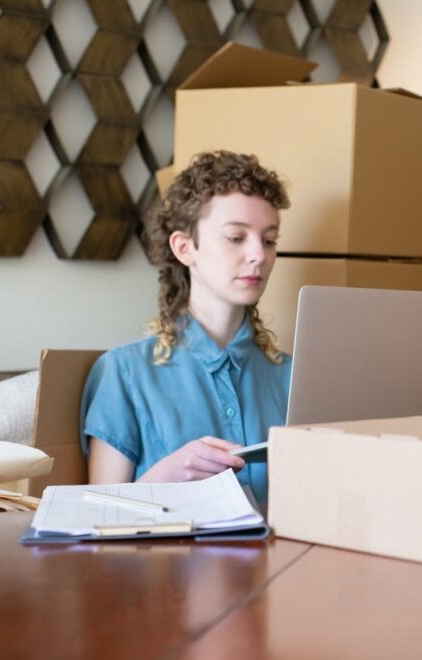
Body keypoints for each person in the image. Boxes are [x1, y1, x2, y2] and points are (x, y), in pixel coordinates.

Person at [81, 150, 292, 504]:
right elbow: (98, 522)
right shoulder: (124, 373)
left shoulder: (293, 378)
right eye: (236, 237)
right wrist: (159, 480)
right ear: (184, 248)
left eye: (269, 240)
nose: (259, 254)